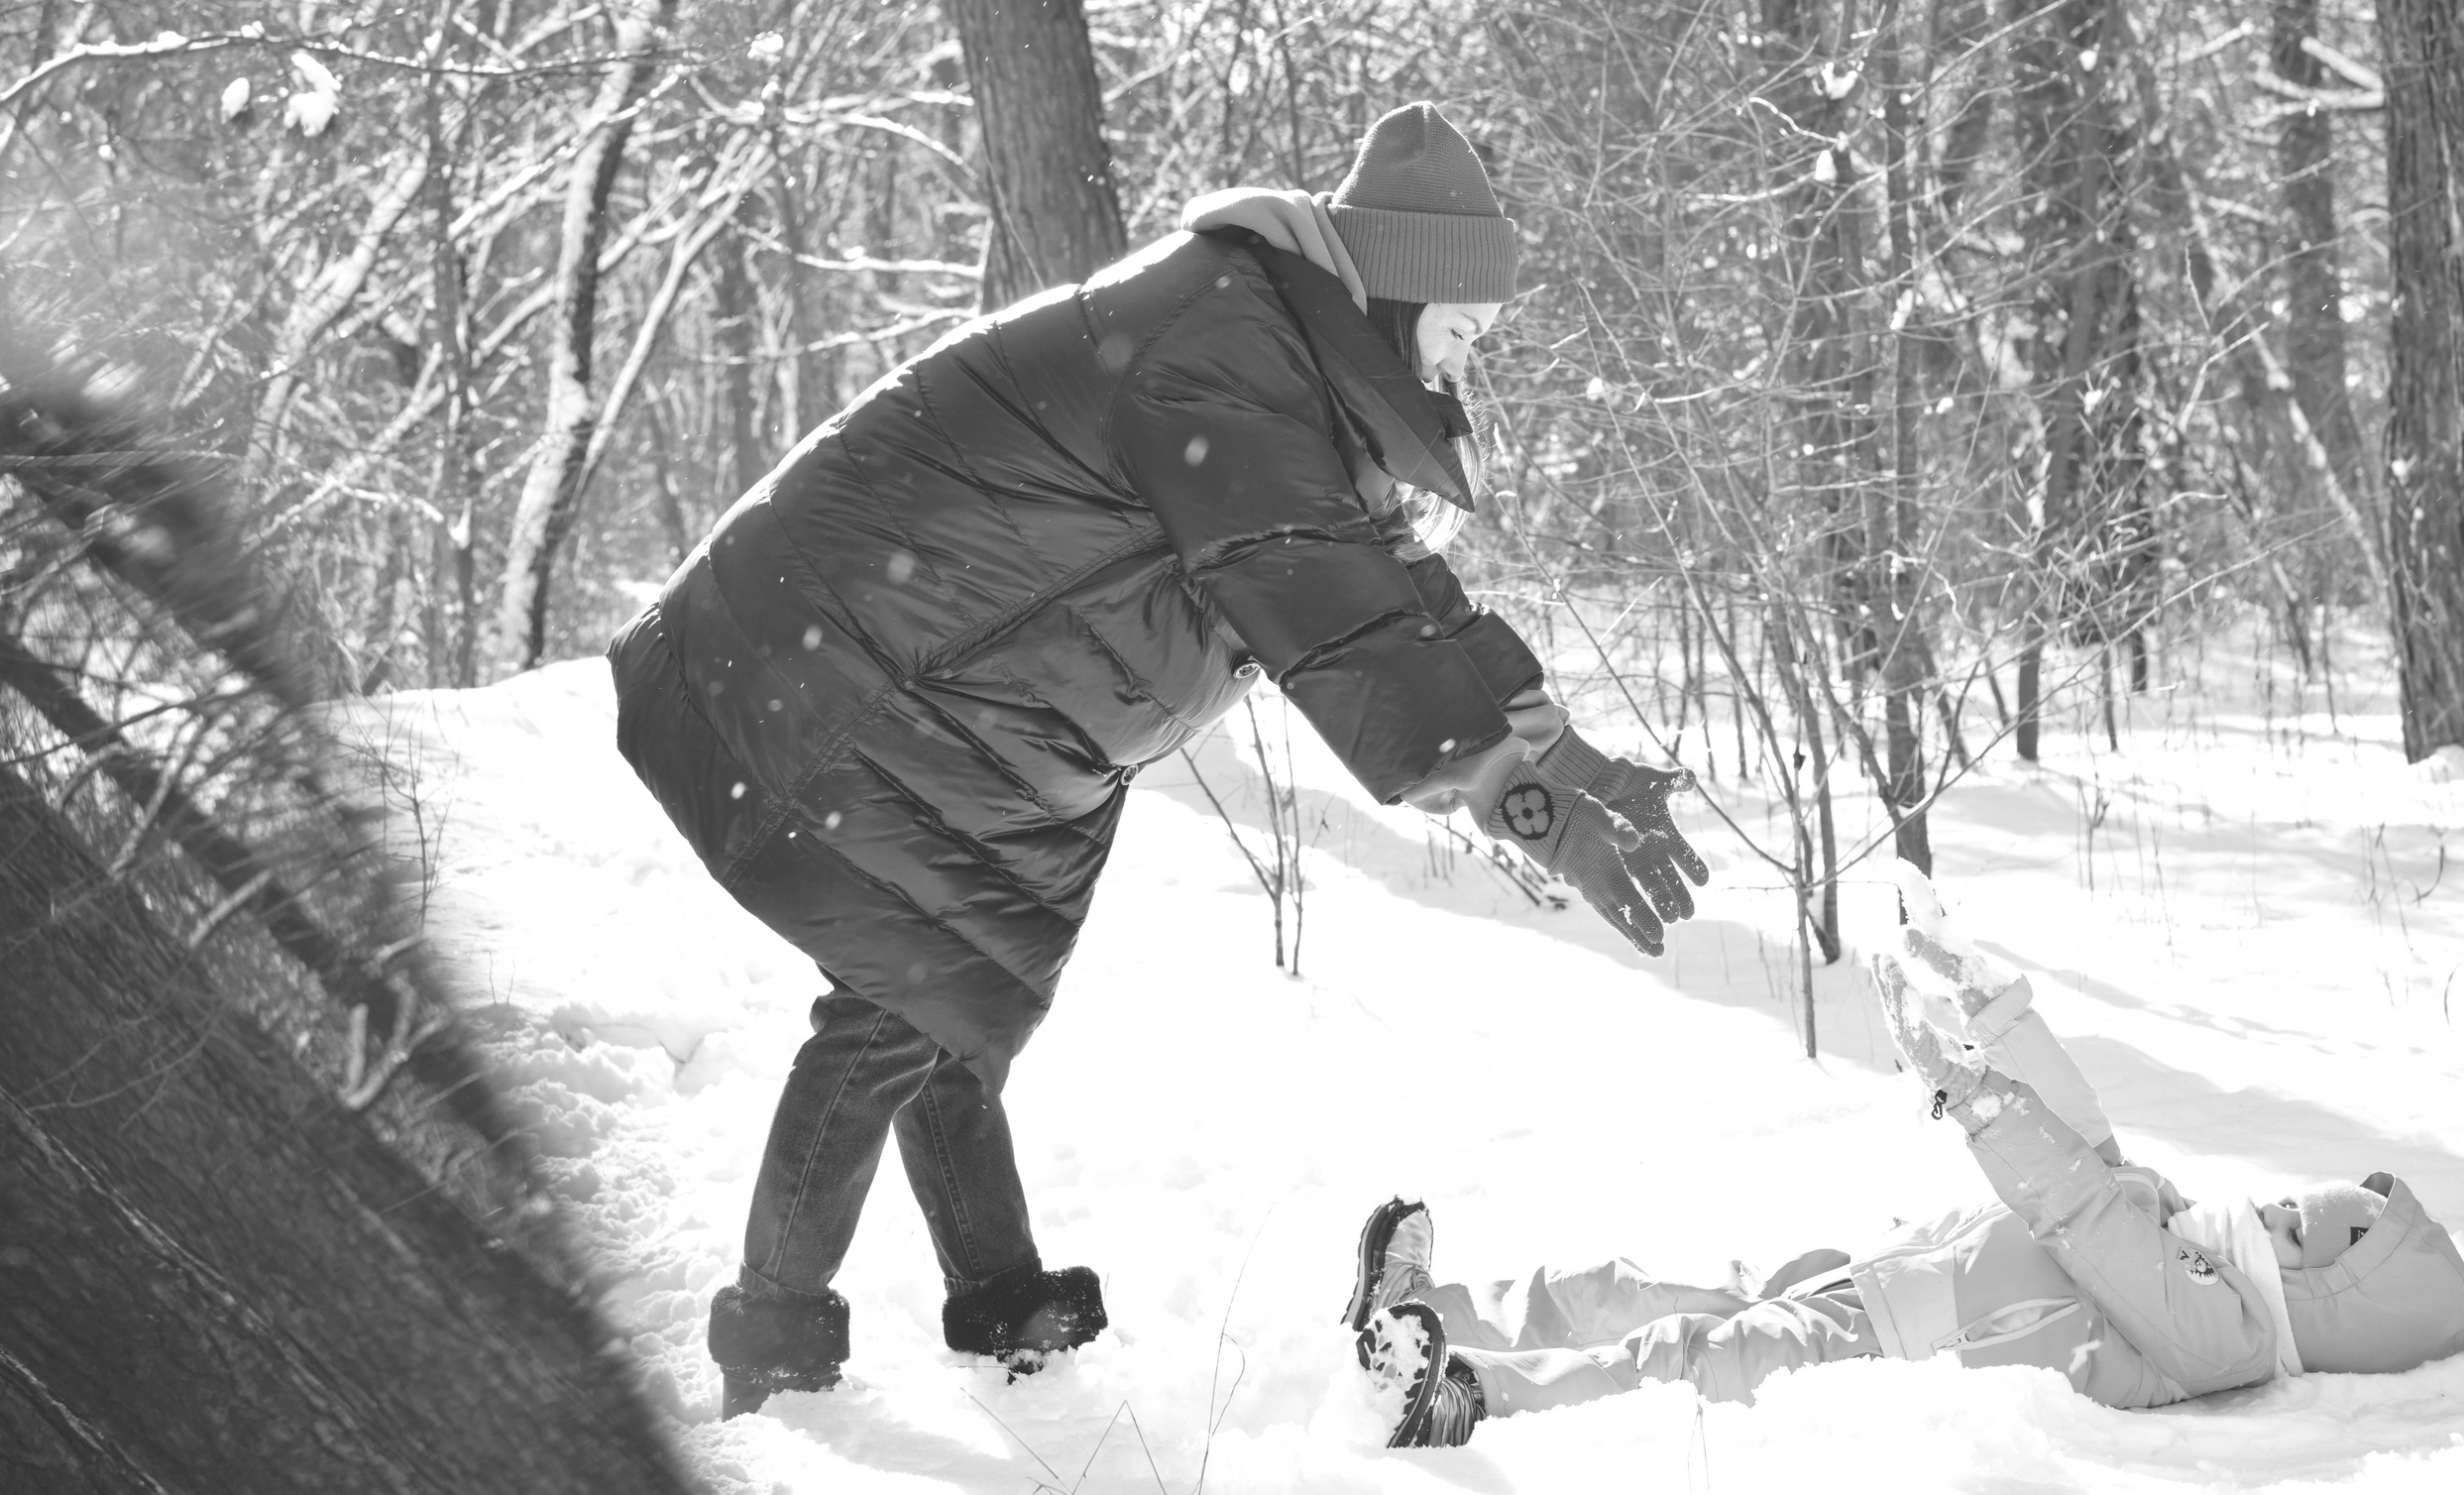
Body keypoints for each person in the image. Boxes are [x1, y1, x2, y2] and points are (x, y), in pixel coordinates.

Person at [607, 102, 1712, 1416]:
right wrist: (1523, 804)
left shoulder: (1278, 366)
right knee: (896, 1000)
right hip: (856, 664)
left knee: (942, 994)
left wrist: (1563, 761)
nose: (1464, 365)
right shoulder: (1225, 353)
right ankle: (775, 1347)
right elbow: (1339, 623)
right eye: (1461, 330)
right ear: (1398, 289)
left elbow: (1400, 594)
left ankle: (996, 1293)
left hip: (956, 696)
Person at [1347, 902, 2464, 1446]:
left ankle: (1467, 1400)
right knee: (1631, 1291)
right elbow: (2083, 1138)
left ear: (2328, 1303)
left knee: (1684, 1356)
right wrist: (1988, 1002)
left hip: (1893, 1348)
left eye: (2299, 1228)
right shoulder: (2184, 1228)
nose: (2275, 1207)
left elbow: (2074, 1203)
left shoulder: (2221, 1332)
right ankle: (1418, 1318)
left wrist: (1967, 1093)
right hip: (1871, 1276)